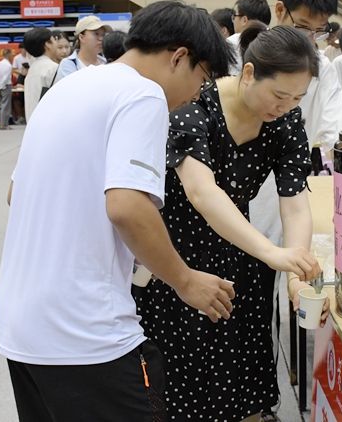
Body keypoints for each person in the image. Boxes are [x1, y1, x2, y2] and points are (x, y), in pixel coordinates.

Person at [0, 1, 237, 422]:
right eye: (202, 78)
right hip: (85, 331)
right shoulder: (142, 94)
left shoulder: (67, 89)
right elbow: (127, 206)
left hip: (23, 327)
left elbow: (16, 193)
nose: (198, 94)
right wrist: (185, 280)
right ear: (179, 57)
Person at [137, 25, 321, 422]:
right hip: (180, 261)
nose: (285, 107)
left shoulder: (286, 121)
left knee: (243, 385)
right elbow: (202, 193)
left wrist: (295, 273)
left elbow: (294, 204)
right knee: (182, 383)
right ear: (249, 73)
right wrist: (272, 252)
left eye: (297, 98)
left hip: (241, 256)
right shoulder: (194, 107)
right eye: (279, 95)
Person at [249, 0, 342, 421]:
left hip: (284, 194)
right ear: (279, 10)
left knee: (272, 297)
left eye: (319, 32)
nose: (310, 40)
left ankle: (264, 397)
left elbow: (331, 132)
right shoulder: (240, 54)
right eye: (303, 27)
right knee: (234, 303)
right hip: (230, 198)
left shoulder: (321, 69)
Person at [55, 15, 111, 82]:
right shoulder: (69, 64)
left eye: (103, 35)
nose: (101, 39)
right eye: (96, 34)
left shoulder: (106, 62)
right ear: (81, 37)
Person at [227, 0, 272, 75]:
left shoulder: (232, 42)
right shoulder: (277, 40)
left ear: (244, 20)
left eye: (234, 16)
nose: (233, 21)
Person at [22, 27, 59, 123]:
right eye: (54, 39)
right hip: (48, 122)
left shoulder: (32, 68)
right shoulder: (53, 68)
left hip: (32, 122)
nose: (57, 43)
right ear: (47, 44)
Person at [0, 49, 14, 130]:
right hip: (5, 86)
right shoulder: (8, 65)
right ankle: (4, 125)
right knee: (6, 106)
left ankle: (0, 124)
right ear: (8, 54)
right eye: (11, 54)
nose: (12, 56)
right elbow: (6, 78)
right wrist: (1, 87)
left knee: (0, 105)